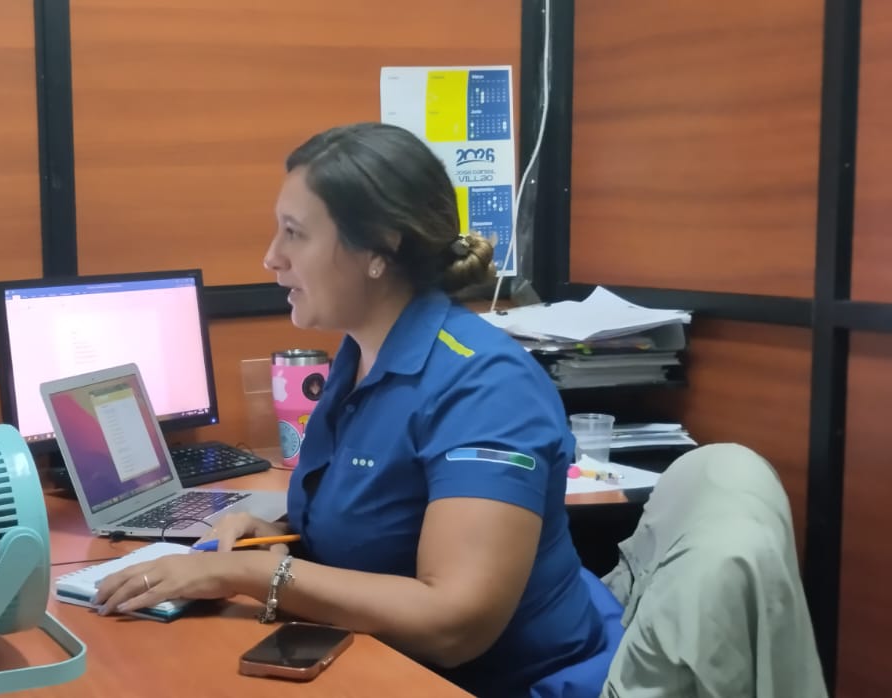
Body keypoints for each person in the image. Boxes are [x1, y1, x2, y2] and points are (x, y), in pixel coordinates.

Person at [93, 123, 616, 696]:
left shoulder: (486, 385)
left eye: (295, 233)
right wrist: (276, 535)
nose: (271, 257)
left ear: (379, 250)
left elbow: (456, 624)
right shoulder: (358, 358)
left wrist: (245, 571)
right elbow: (386, 521)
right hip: (384, 665)